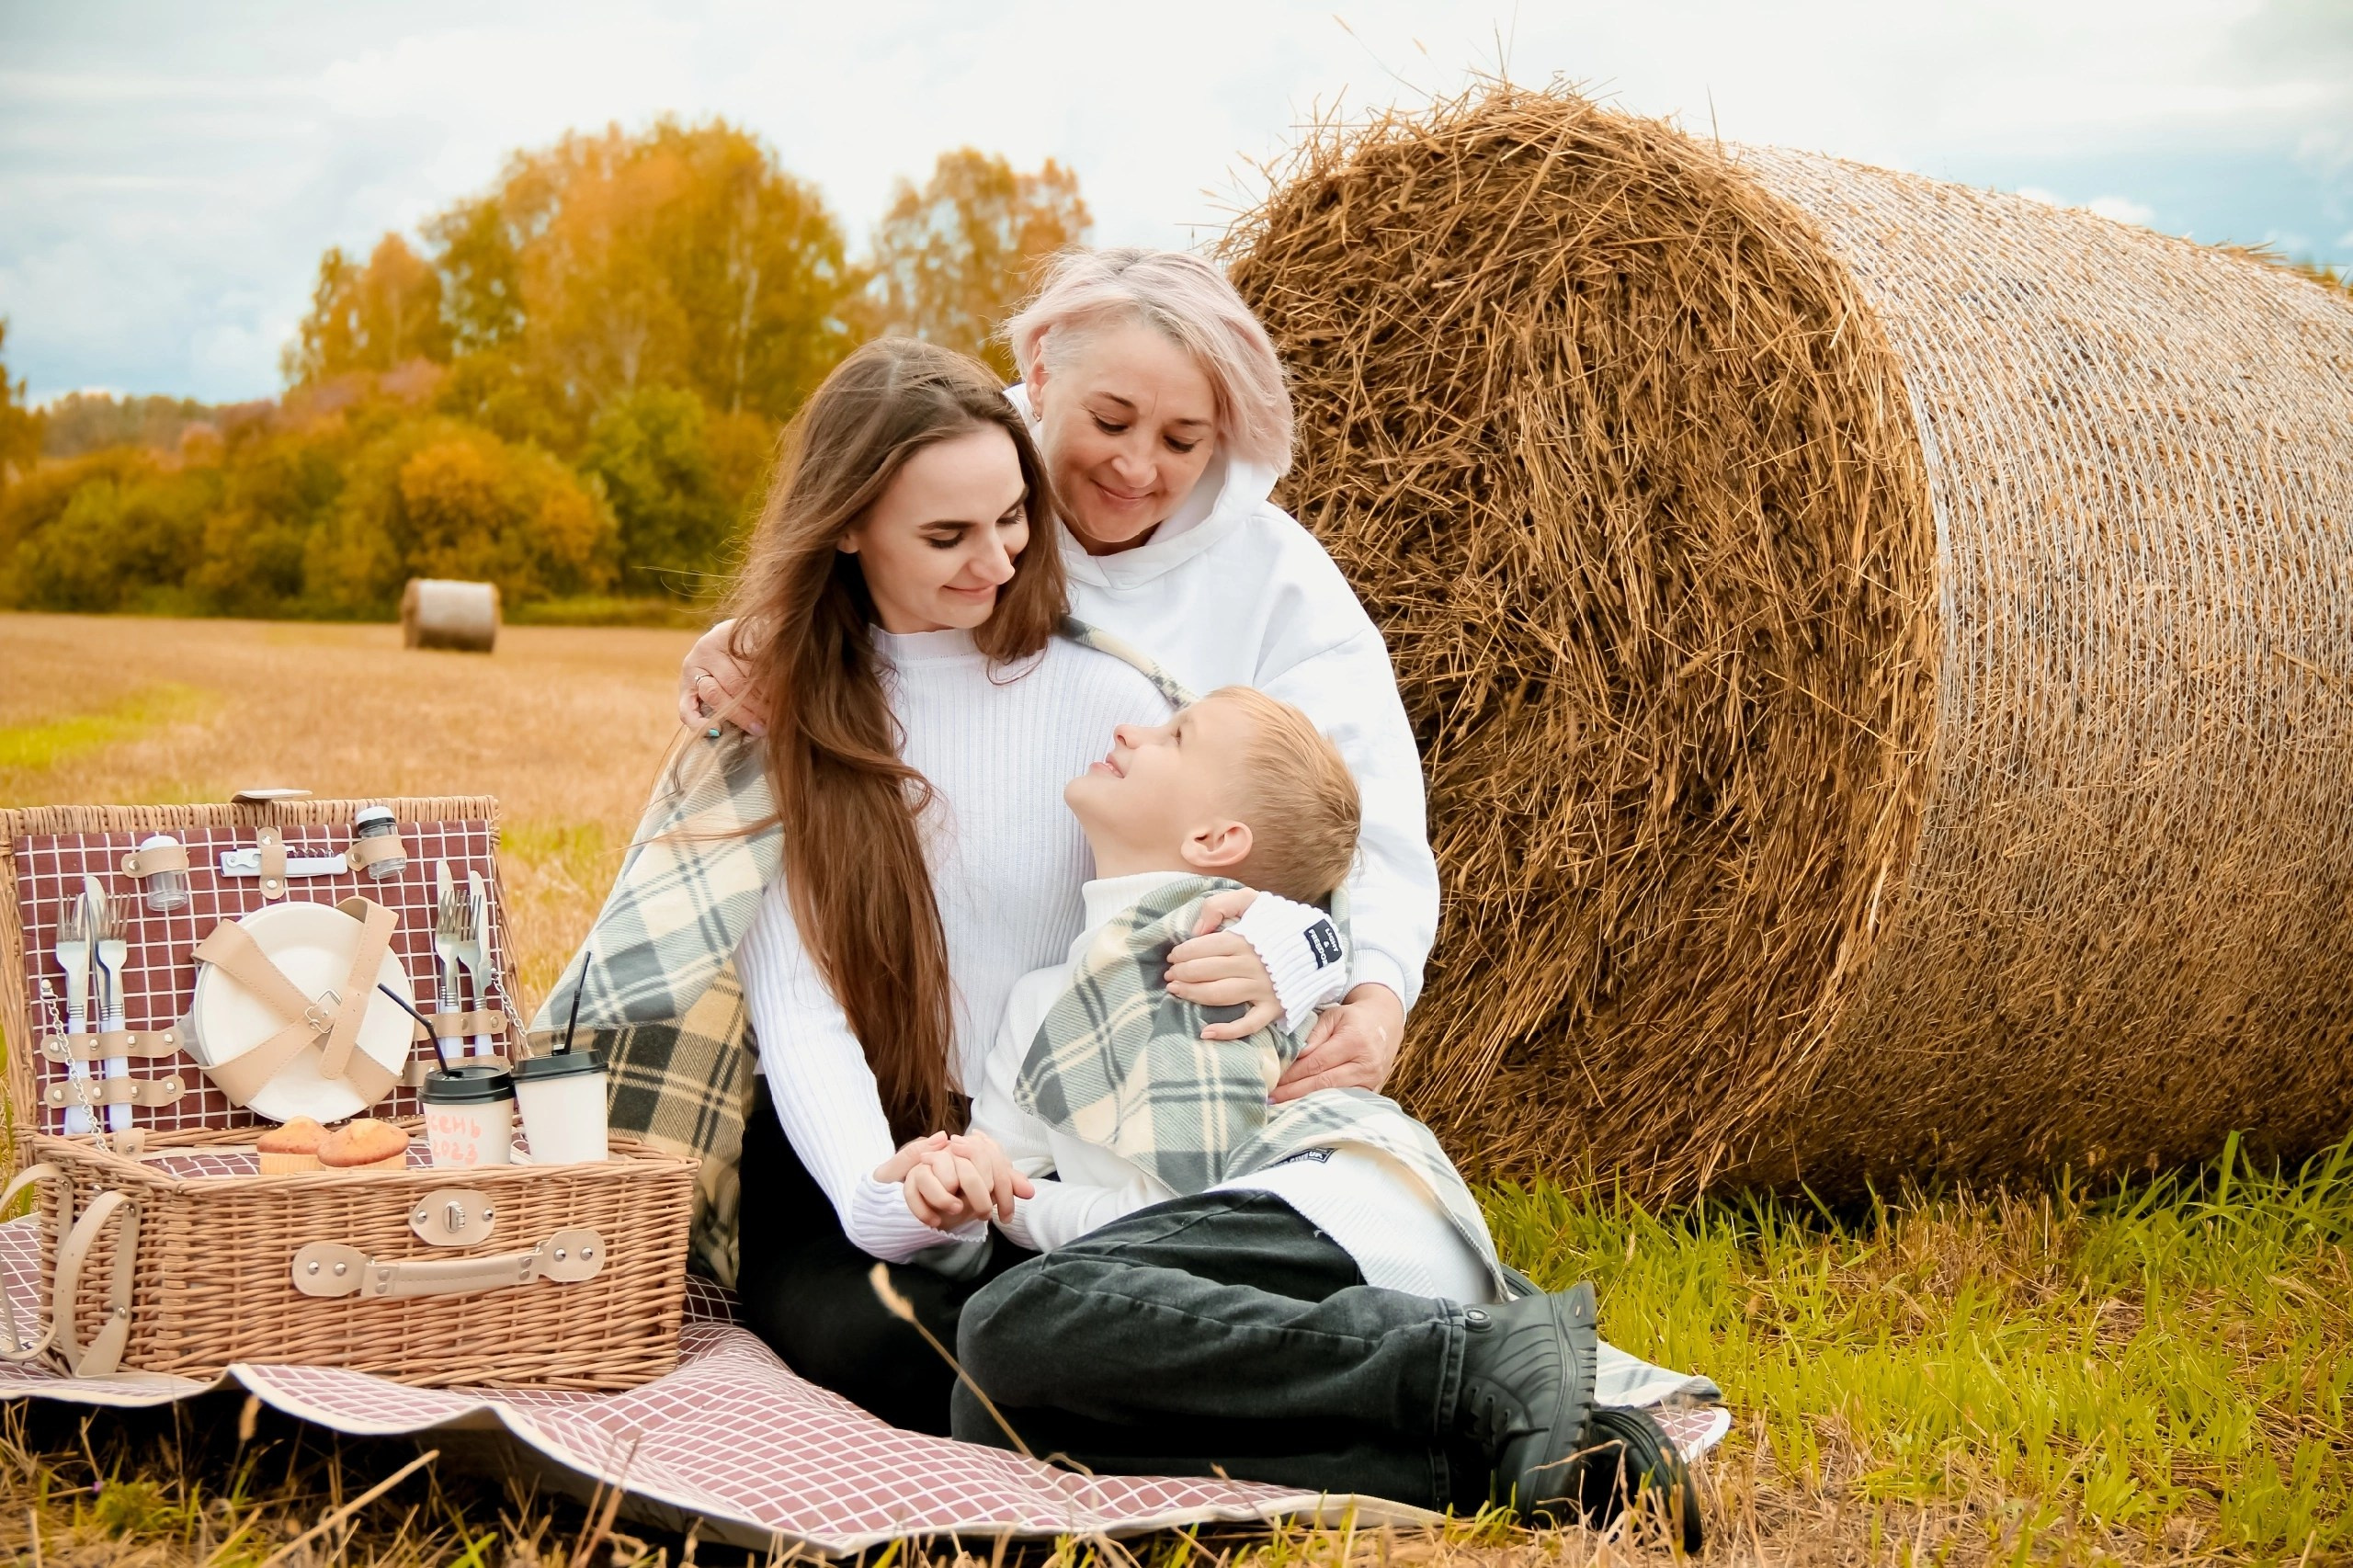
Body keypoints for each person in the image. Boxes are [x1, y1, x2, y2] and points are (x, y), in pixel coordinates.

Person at [539, 335, 1342, 1435]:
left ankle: (1367, 1398)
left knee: (1110, 1311)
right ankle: (1296, 1417)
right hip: (848, 1160)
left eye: (1012, 517)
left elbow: (1254, 847)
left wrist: (1302, 948)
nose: (997, 562)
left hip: (1054, 1141)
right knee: (897, 1343)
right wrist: (883, 1195)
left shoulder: (1108, 694)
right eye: (947, 535)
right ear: (847, 527)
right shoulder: (780, 719)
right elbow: (801, 1013)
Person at [936, 687, 1702, 1540]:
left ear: (1216, 841)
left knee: (1012, 1319)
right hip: (1247, 1283)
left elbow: (1161, 1198)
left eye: (1173, 735)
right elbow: (1003, 1177)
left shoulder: (1232, 951)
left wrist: (1037, 1212)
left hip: (1336, 1215)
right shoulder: (1048, 1001)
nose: (1128, 729)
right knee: (997, 1414)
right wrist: (962, 1185)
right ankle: (1526, 1455)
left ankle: (1478, 1354)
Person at [680, 247, 1439, 1107]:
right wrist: (748, 644)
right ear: (1041, 374)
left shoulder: (1279, 583)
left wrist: (1363, 988)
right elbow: (842, 601)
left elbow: (1358, 821)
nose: (1138, 468)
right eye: (1111, 422)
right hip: (890, 1005)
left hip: (1131, 1036)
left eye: (1183, 440)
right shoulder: (948, 479)